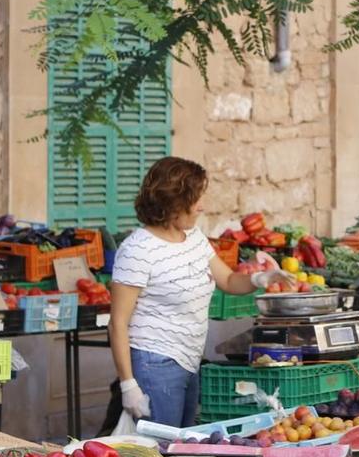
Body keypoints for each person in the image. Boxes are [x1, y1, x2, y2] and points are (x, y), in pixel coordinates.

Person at [108, 156, 267, 429]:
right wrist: (128, 384)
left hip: (190, 360)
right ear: (174, 203)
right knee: (160, 452)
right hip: (155, 362)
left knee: (181, 448)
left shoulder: (194, 238)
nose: (201, 207)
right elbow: (118, 323)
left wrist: (260, 277)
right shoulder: (138, 250)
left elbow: (228, 280)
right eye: (196, 199)